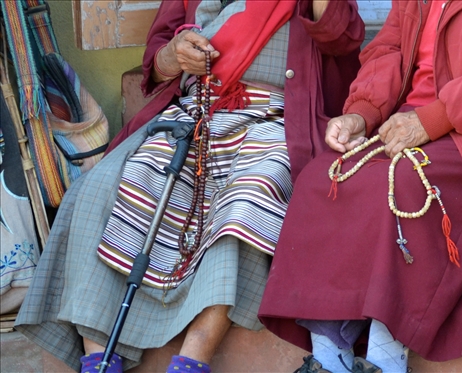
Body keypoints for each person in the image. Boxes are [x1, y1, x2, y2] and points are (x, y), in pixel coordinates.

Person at [14, 1, 363, 372]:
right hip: (195, 113)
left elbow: (342, 38)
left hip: (276, 116)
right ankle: (98, 356)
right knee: (97, 190)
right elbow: (158, 59)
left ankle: (193, 358)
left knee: (251, 199)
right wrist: (174, 55)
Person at [256, 1, 462, 372]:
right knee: (323, 178)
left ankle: (387, 360)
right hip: (411, 127)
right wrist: (362, 113)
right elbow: (389, 49)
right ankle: (328, 358)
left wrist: (432, 119)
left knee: (408, 182)